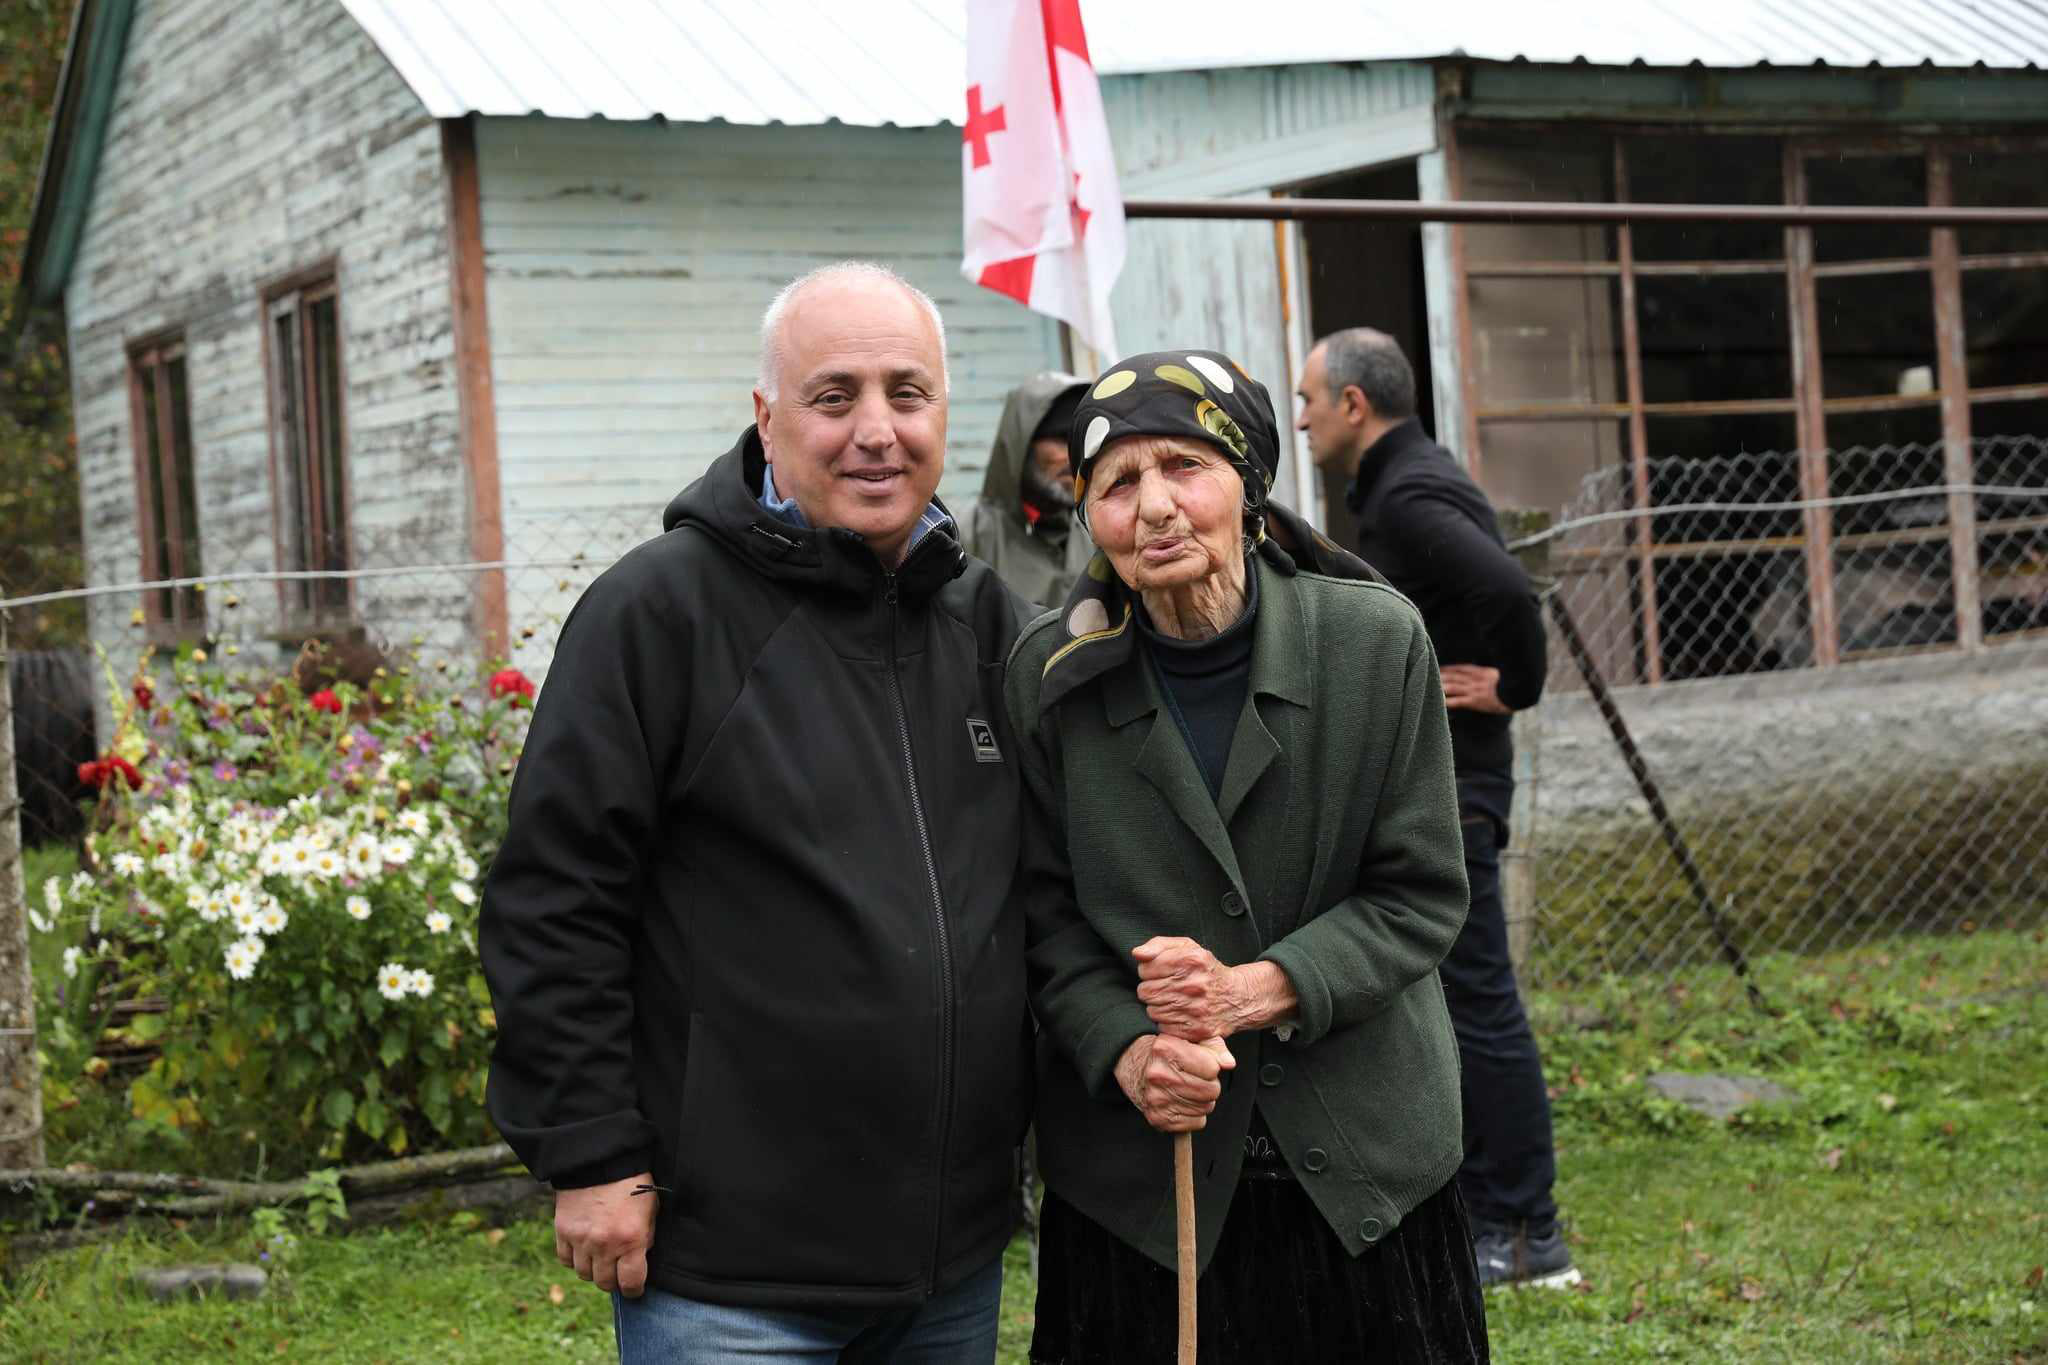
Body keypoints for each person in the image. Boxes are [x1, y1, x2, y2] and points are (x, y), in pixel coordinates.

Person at [480, 261, 1035, 1363]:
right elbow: (554, 898)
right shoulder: (661, 612)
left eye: (906, 393)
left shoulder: (980, 619)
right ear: (765, 416)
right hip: (730, 1272)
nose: (876, 431)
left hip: (950, 1262)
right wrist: (590, 1153)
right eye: (834, 398)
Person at [1008, 349, 1489, 1363]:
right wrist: (1126, 1049)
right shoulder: (1048, 678)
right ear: (1087, 512)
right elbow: (1041, 921)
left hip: (1367, 1174)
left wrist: (1253, 990)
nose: (1153, 508)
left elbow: (1418, 894)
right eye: (1116, 483)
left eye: (1183, 466)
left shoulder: (1371, 642)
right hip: (1140, 1194)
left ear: (1247, 483)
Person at [1295, 326, 1575, 1290]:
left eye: (1309, 398)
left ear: (1354, 406)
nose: (1302, 416)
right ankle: (1492, 1205)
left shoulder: (1409, 495)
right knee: (1457, 996)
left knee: (1479, 995)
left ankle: (1529, 1228)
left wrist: (1515, 686)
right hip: (1450, 777)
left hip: (1458, 780)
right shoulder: (1410, 479)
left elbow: (1505, 587)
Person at [965, 370, 1095, 608]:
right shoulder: (969, 537)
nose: (1073, 454)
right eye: (1060, 439)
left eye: (1079, 440)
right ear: (1022, 446)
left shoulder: (1101, 530)